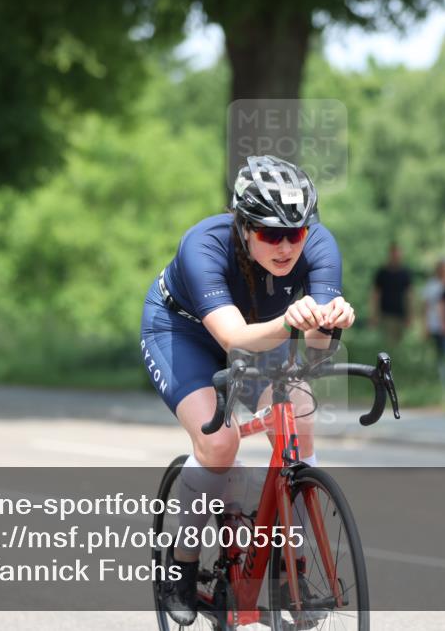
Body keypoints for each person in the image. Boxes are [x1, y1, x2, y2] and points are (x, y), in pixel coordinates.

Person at [139, 155, 354, 625]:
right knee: (219, 443)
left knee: (298, 421)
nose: (285, 247)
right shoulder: (204, 245)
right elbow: (234, 339)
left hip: (264, 332)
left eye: (294, 233)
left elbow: (316, 350)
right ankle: (183, 562)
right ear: (243, 225)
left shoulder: (319, 246)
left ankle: (290, 561)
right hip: (184, 332)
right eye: (271, 234)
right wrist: (290, 321)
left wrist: (329, 322)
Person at [369, 243, 413, 345]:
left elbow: (409, 295)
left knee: (400, 344)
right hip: (385, 314)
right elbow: (375, 295)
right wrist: (374, 315)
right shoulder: (382, 273)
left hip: (401, 315)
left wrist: (410, 315)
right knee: (387, 344)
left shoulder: (405, 273)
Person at [420, 259, 445, 363]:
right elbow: (426, 306)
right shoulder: (431, 285)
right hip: (434, 322)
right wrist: (426, 324)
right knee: (436, 349)